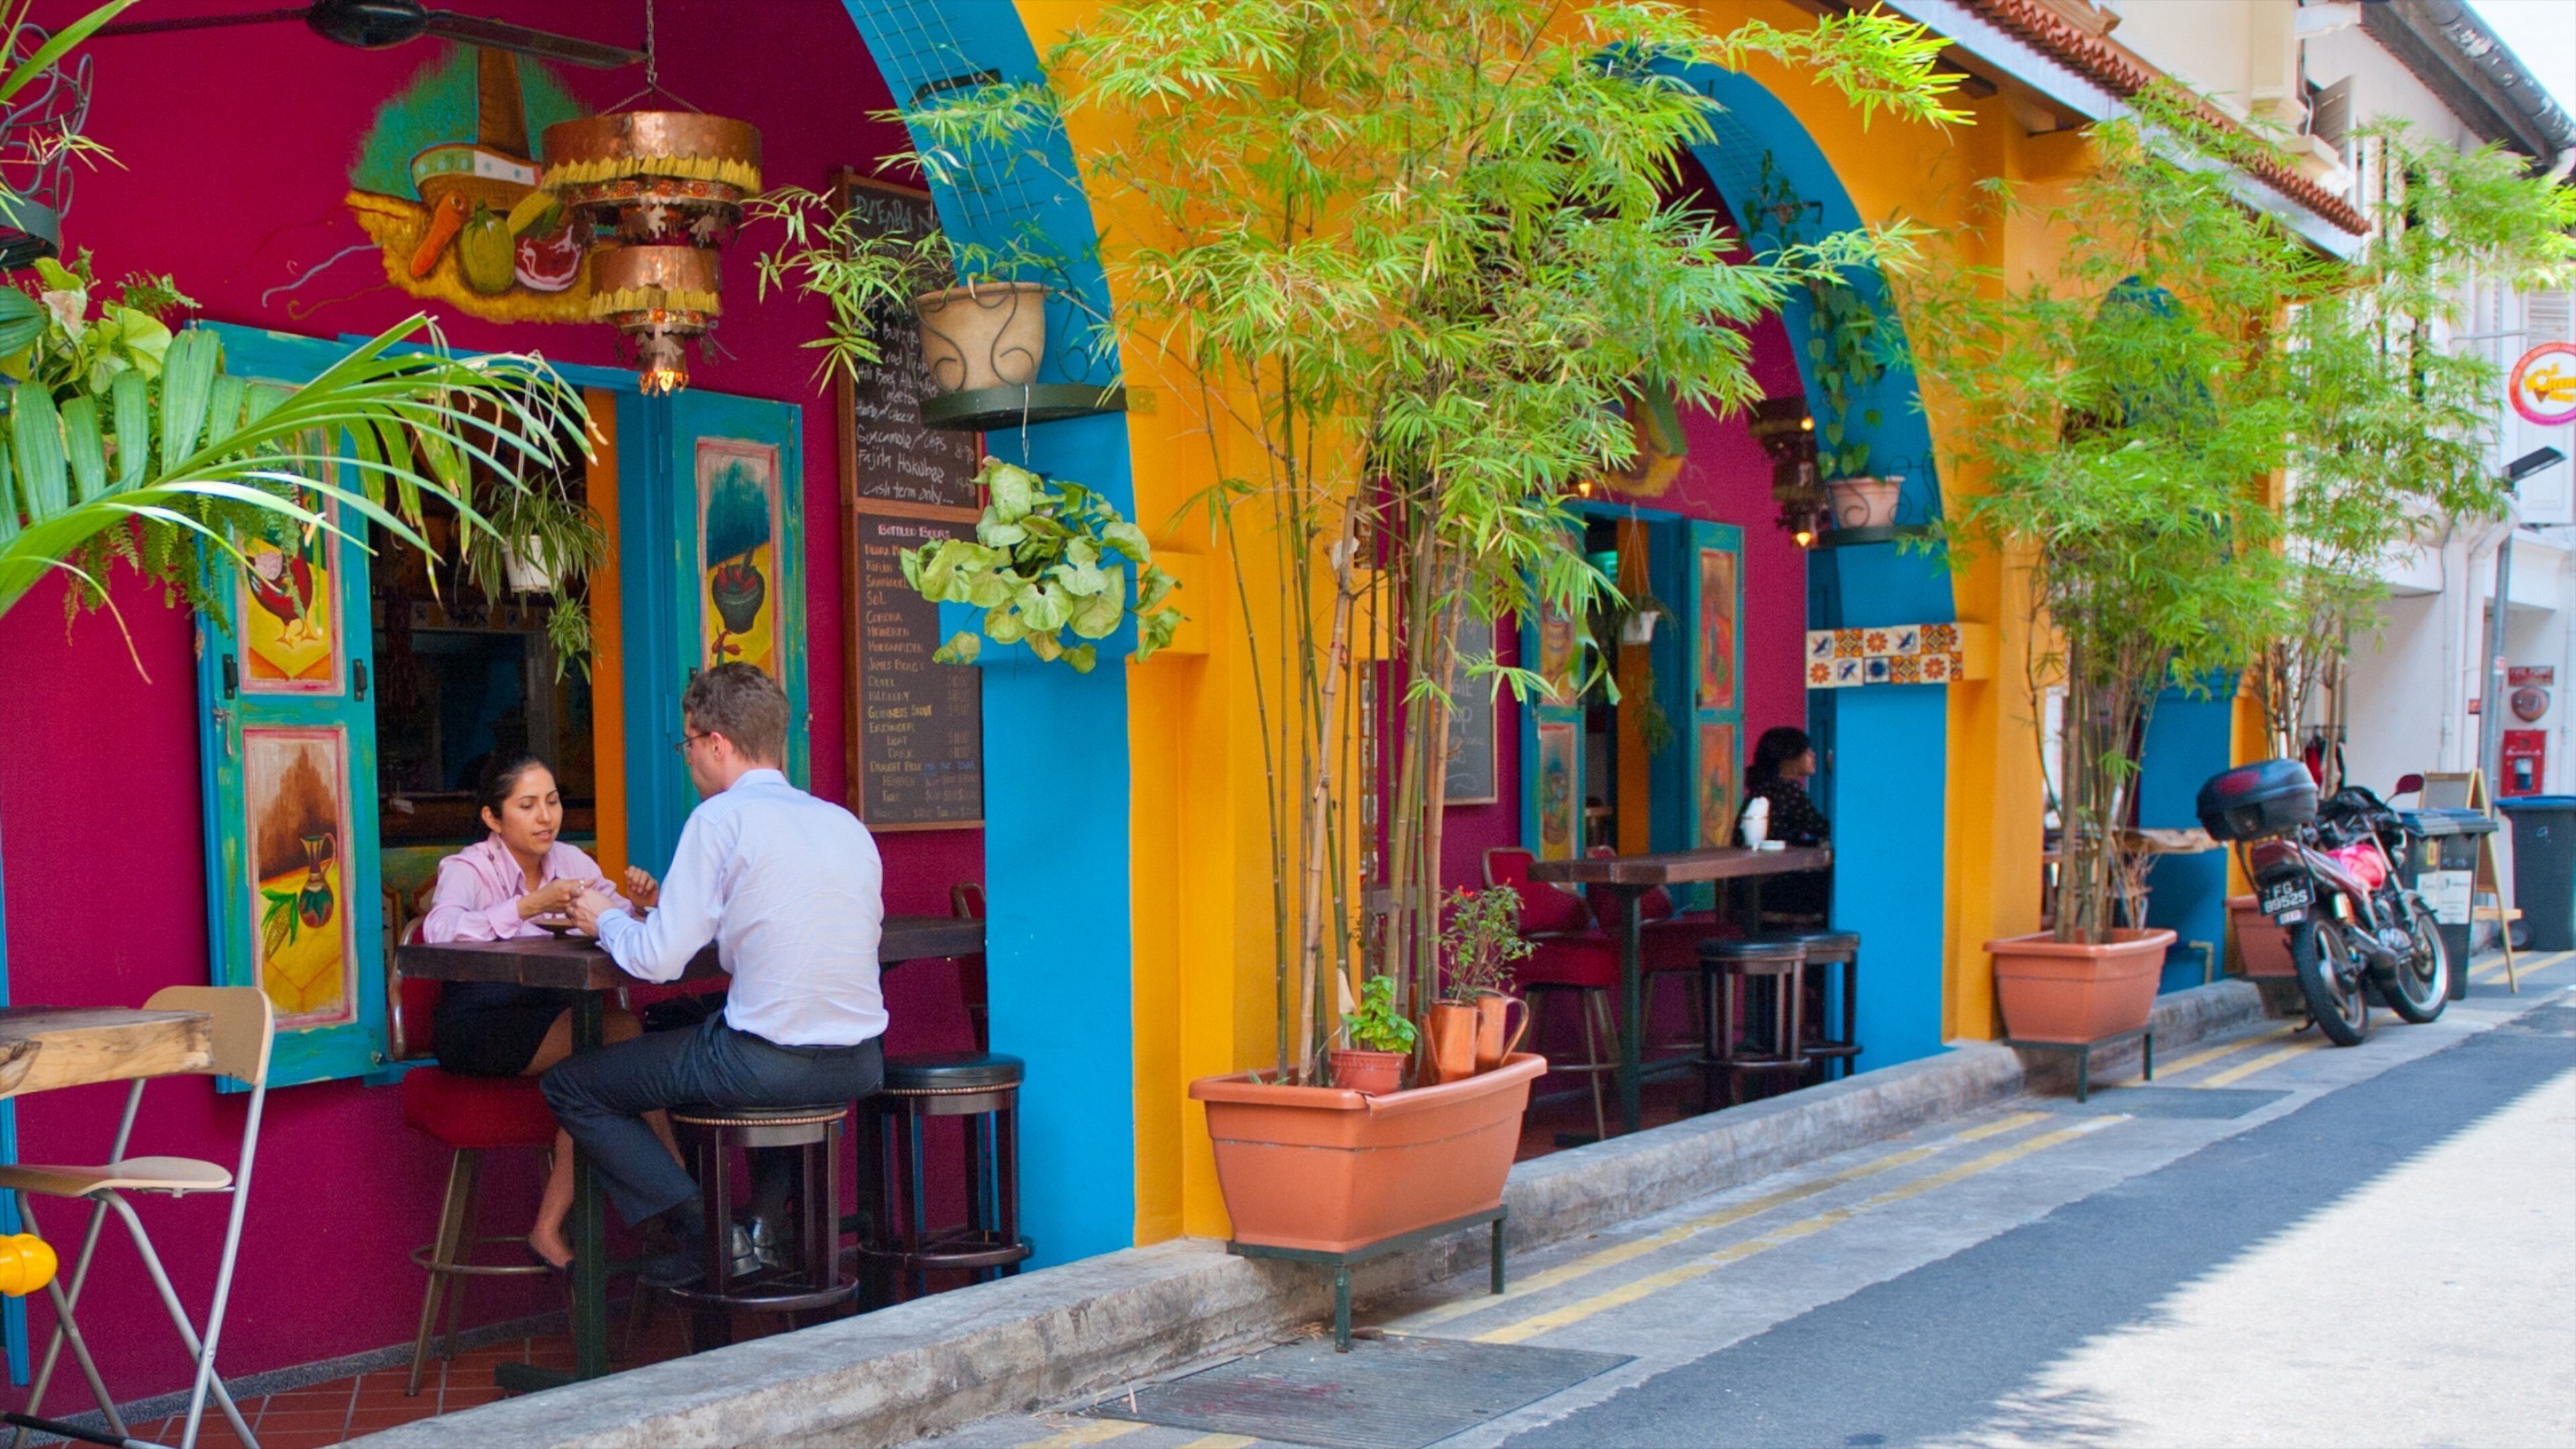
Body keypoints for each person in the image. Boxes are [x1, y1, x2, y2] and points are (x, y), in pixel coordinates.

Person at [555, 663, 888, 1287]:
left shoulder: (719, 819)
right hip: (858, 1062)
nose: (686, 759)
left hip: (763, 1062)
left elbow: (657, 960)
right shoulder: (845, 824)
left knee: (576, 1086)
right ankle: (762, 1223)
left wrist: (604, 918)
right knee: (689, 1030)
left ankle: (711, 1236)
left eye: (687, 744)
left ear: (717, 743)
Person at [419, 755, 668, 1272]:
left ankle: (558, 1224)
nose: (545, 817)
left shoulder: (573, 863)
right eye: (527, 805)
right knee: (613, 1039)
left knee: (600, 1059)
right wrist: (528, 907)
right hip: (479, 1022)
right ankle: (673, 1194)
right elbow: (438, 931)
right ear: (493, 818)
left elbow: (618, 916)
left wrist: (644, 906)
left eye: (552, 802)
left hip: (556, 1013)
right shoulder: (468, 867)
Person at [1741, 725, 1830, 918]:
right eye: (1807, 751)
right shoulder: (1788, 791)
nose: (1813, 755)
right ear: (1788, 760)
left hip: (1750, 886)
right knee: (1839, 883)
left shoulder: (1765, 788)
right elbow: (1823, 828)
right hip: (1772, 887)